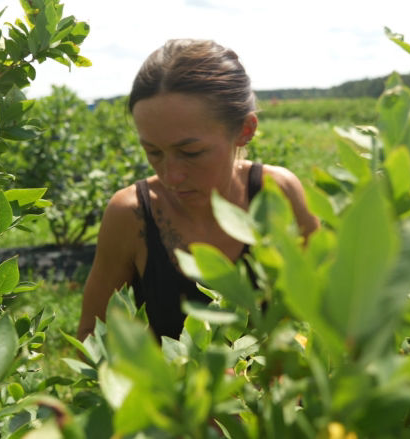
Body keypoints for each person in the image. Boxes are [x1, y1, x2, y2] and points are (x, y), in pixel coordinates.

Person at [76, 39, 319, 341]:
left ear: (245, 130)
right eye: (153, 152)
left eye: (191, 152)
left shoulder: (276, 194)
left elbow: (329, 307)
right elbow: (91, 335)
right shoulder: (133, 214)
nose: (171, 176)